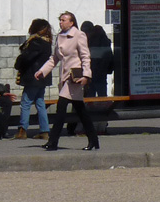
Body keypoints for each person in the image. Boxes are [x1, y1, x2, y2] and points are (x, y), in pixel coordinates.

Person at [36, 11, 98, 151]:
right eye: (60, 20)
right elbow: (54, 58)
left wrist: (86, 75)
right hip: (64, 78)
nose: (61, 22)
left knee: (61, 109)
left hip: (74, 78)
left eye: (64, 20)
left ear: (71, 22)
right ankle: (94, 140)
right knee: (81, 111)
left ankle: (53, 142)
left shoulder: (79, 35)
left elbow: (85, 56)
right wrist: (42, 71)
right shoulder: (60, 36)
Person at [13, 19, 53, 139]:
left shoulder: (35, 42)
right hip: (42, 77)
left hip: (32, 76)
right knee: (40, 103)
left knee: (26, 102)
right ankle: (44, 130)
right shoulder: (47, 42)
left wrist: (18, 62)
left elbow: (27, 58)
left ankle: (22, 129)